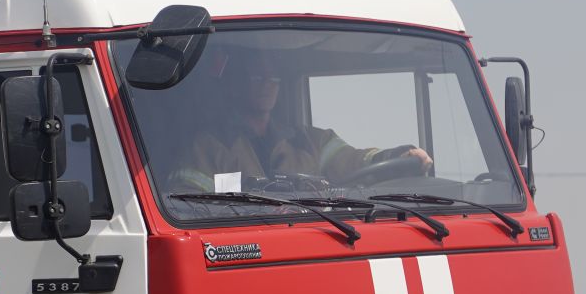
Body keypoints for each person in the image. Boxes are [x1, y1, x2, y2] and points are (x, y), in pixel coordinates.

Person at [169, 48, 432, 191]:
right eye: (257, 78)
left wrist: (396, 157)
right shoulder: (208, 147)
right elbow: (186, 203)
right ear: (236, 83)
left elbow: (354, 161)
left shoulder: (311, 141)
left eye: (274, 79)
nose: (267, 86)